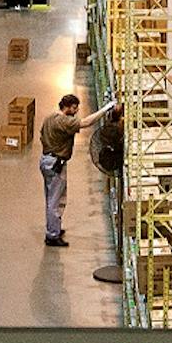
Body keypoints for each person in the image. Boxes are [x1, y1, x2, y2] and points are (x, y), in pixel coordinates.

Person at [38, 94, 117, 246]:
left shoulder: (49, 118)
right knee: (55, 201)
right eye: (74, 108)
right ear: (66, 107)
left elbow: (42, 135)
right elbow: (86, 122)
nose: (76, 111)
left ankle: (54, 227)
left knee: (51, 198)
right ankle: (52, 235)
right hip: (56, 164)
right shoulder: (64, 121)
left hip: (46, 160)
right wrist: (105, 109)